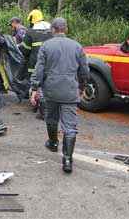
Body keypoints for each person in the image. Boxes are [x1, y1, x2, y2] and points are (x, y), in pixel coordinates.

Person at [30, 17, 89, 173]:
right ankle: (67, 160)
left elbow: (39, 69)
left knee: (51, 118)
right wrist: (81, 88)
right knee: (70, 127)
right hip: (70, 91)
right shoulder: (77, 46)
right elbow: (84, 71)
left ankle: (53, 143)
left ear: (53, 30)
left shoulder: (46, 46)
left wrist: (34, 88)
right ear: (66, 29)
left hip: (51, 91)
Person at [24, 10, 52, 118]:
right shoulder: (51, 29)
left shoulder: (30, 31)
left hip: (34, 62)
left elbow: (25, 49)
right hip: (50, 62)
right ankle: (47, 106)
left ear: (32, 19)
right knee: (47, 84)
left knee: (34, 82)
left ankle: (36, 105)